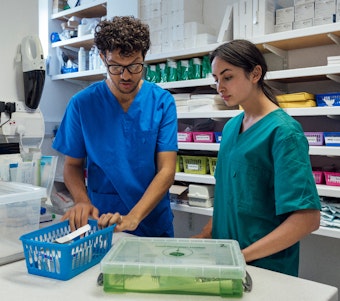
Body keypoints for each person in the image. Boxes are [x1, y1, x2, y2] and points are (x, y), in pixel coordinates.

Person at [193, 39, 321, 276]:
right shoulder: (231, 127)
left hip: (266, 268)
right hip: (226, 263)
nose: (220, 86)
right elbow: (229, 198)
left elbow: (308, 218)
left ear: (255, 73)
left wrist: (241, 257)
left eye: (227, 77)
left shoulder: (284, 132)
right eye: (216, 79)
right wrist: (204, 236)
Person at [52, 16, 178, 237]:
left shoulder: (162, 102)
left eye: (134, 66)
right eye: (116, 67)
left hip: (152, 220)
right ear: (102, 58)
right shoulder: (82, 104)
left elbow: (166, 170)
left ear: (144, 58)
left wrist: (134, 217)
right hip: (102, 221)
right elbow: (72, 166)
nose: (126, 76)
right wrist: (81, 201)